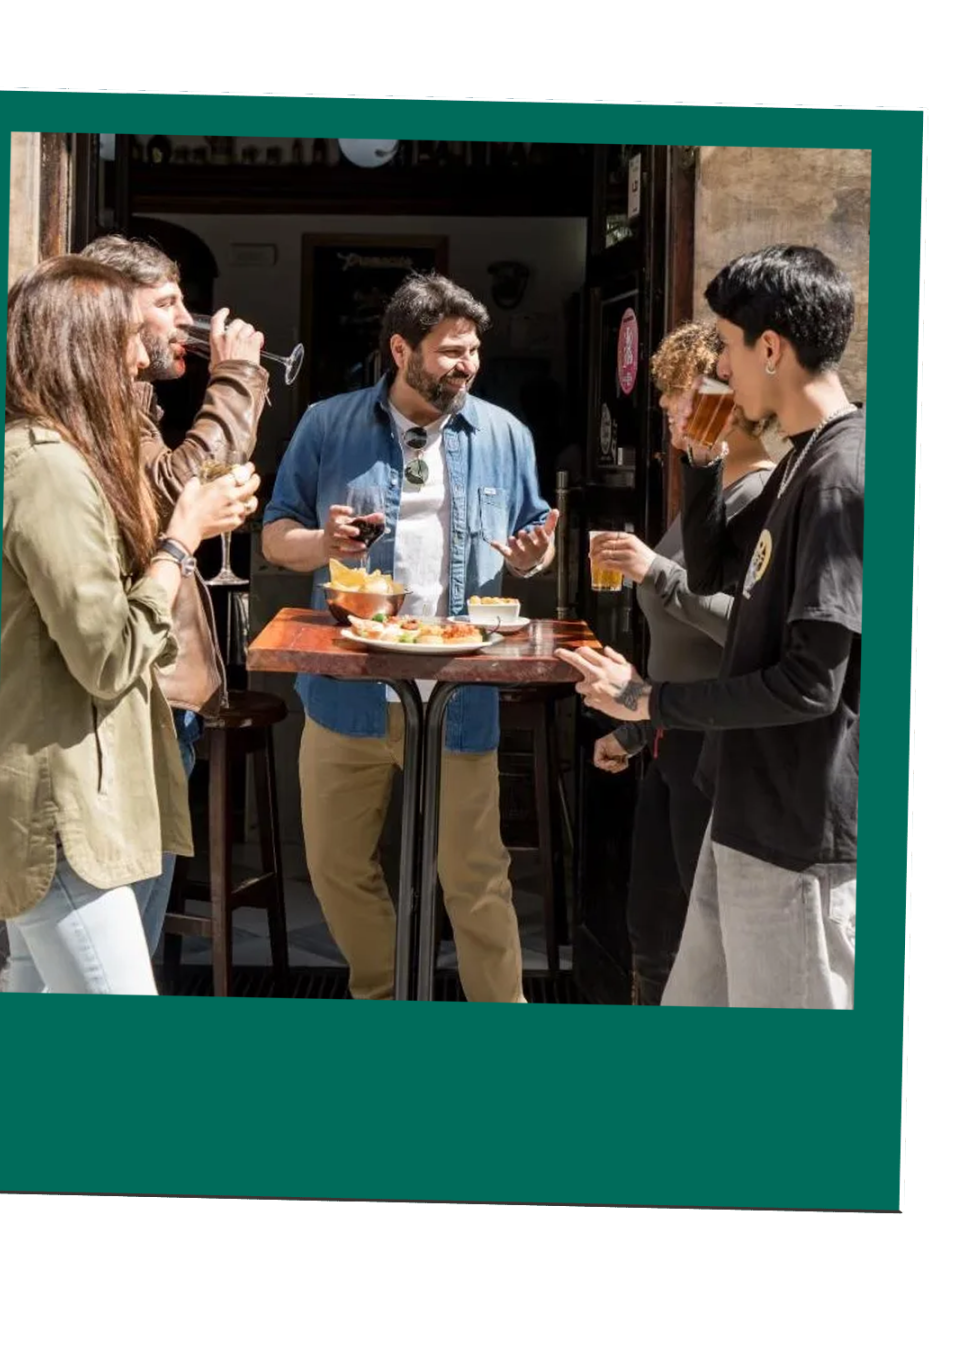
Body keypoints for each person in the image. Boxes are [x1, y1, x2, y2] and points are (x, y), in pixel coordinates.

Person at [558, 244, 863, 1011]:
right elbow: (723, 572)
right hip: (746, 813)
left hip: (794, 839)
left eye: (725, 347)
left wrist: (648, 702)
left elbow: (809, 684)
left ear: (771, 347)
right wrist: (696, 463)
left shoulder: (838, 476)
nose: (718, 372)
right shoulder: (802, 462)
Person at [261, 272, 559, 1002]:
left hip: (460, 689)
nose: (468, 364)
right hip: (349, 690)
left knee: (475, 877)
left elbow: (534, 536)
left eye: (473, 351)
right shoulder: (329, 424)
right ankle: (387, 997)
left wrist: (534, 556)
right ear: (401, 349)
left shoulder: (504, 434)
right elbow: (275, 539)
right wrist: (321, 545)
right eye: (452, 351)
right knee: (334, 865)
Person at [0, 254, 261, 994]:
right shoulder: (48, 466)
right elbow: (109, 655)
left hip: (70, 797)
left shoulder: (53, 453)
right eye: (124, 334)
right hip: (63, 810)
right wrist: (184, 538)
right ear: (82, 344)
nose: (139, 351)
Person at [79, 234, 269, 960]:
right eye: (167, 304)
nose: (187, 319)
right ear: (108, 311)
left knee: (129, 934)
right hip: (134, 688)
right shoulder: (99, 410)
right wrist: (237, 378)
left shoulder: (130, 403)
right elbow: (172, 494)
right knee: (115, 941)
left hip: (159, 690)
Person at [589, 321, 775, 1005]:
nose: (669, 408)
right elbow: (687, 642)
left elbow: (749, 634)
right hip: (673, 743)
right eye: (668, 393)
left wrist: (654, 570)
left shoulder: (763, 494)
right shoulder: (709, 491)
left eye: (683, 392)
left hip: (716, 755)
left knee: (701, 946)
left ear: (734, 394)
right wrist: (635, 724)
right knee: (655, 927)